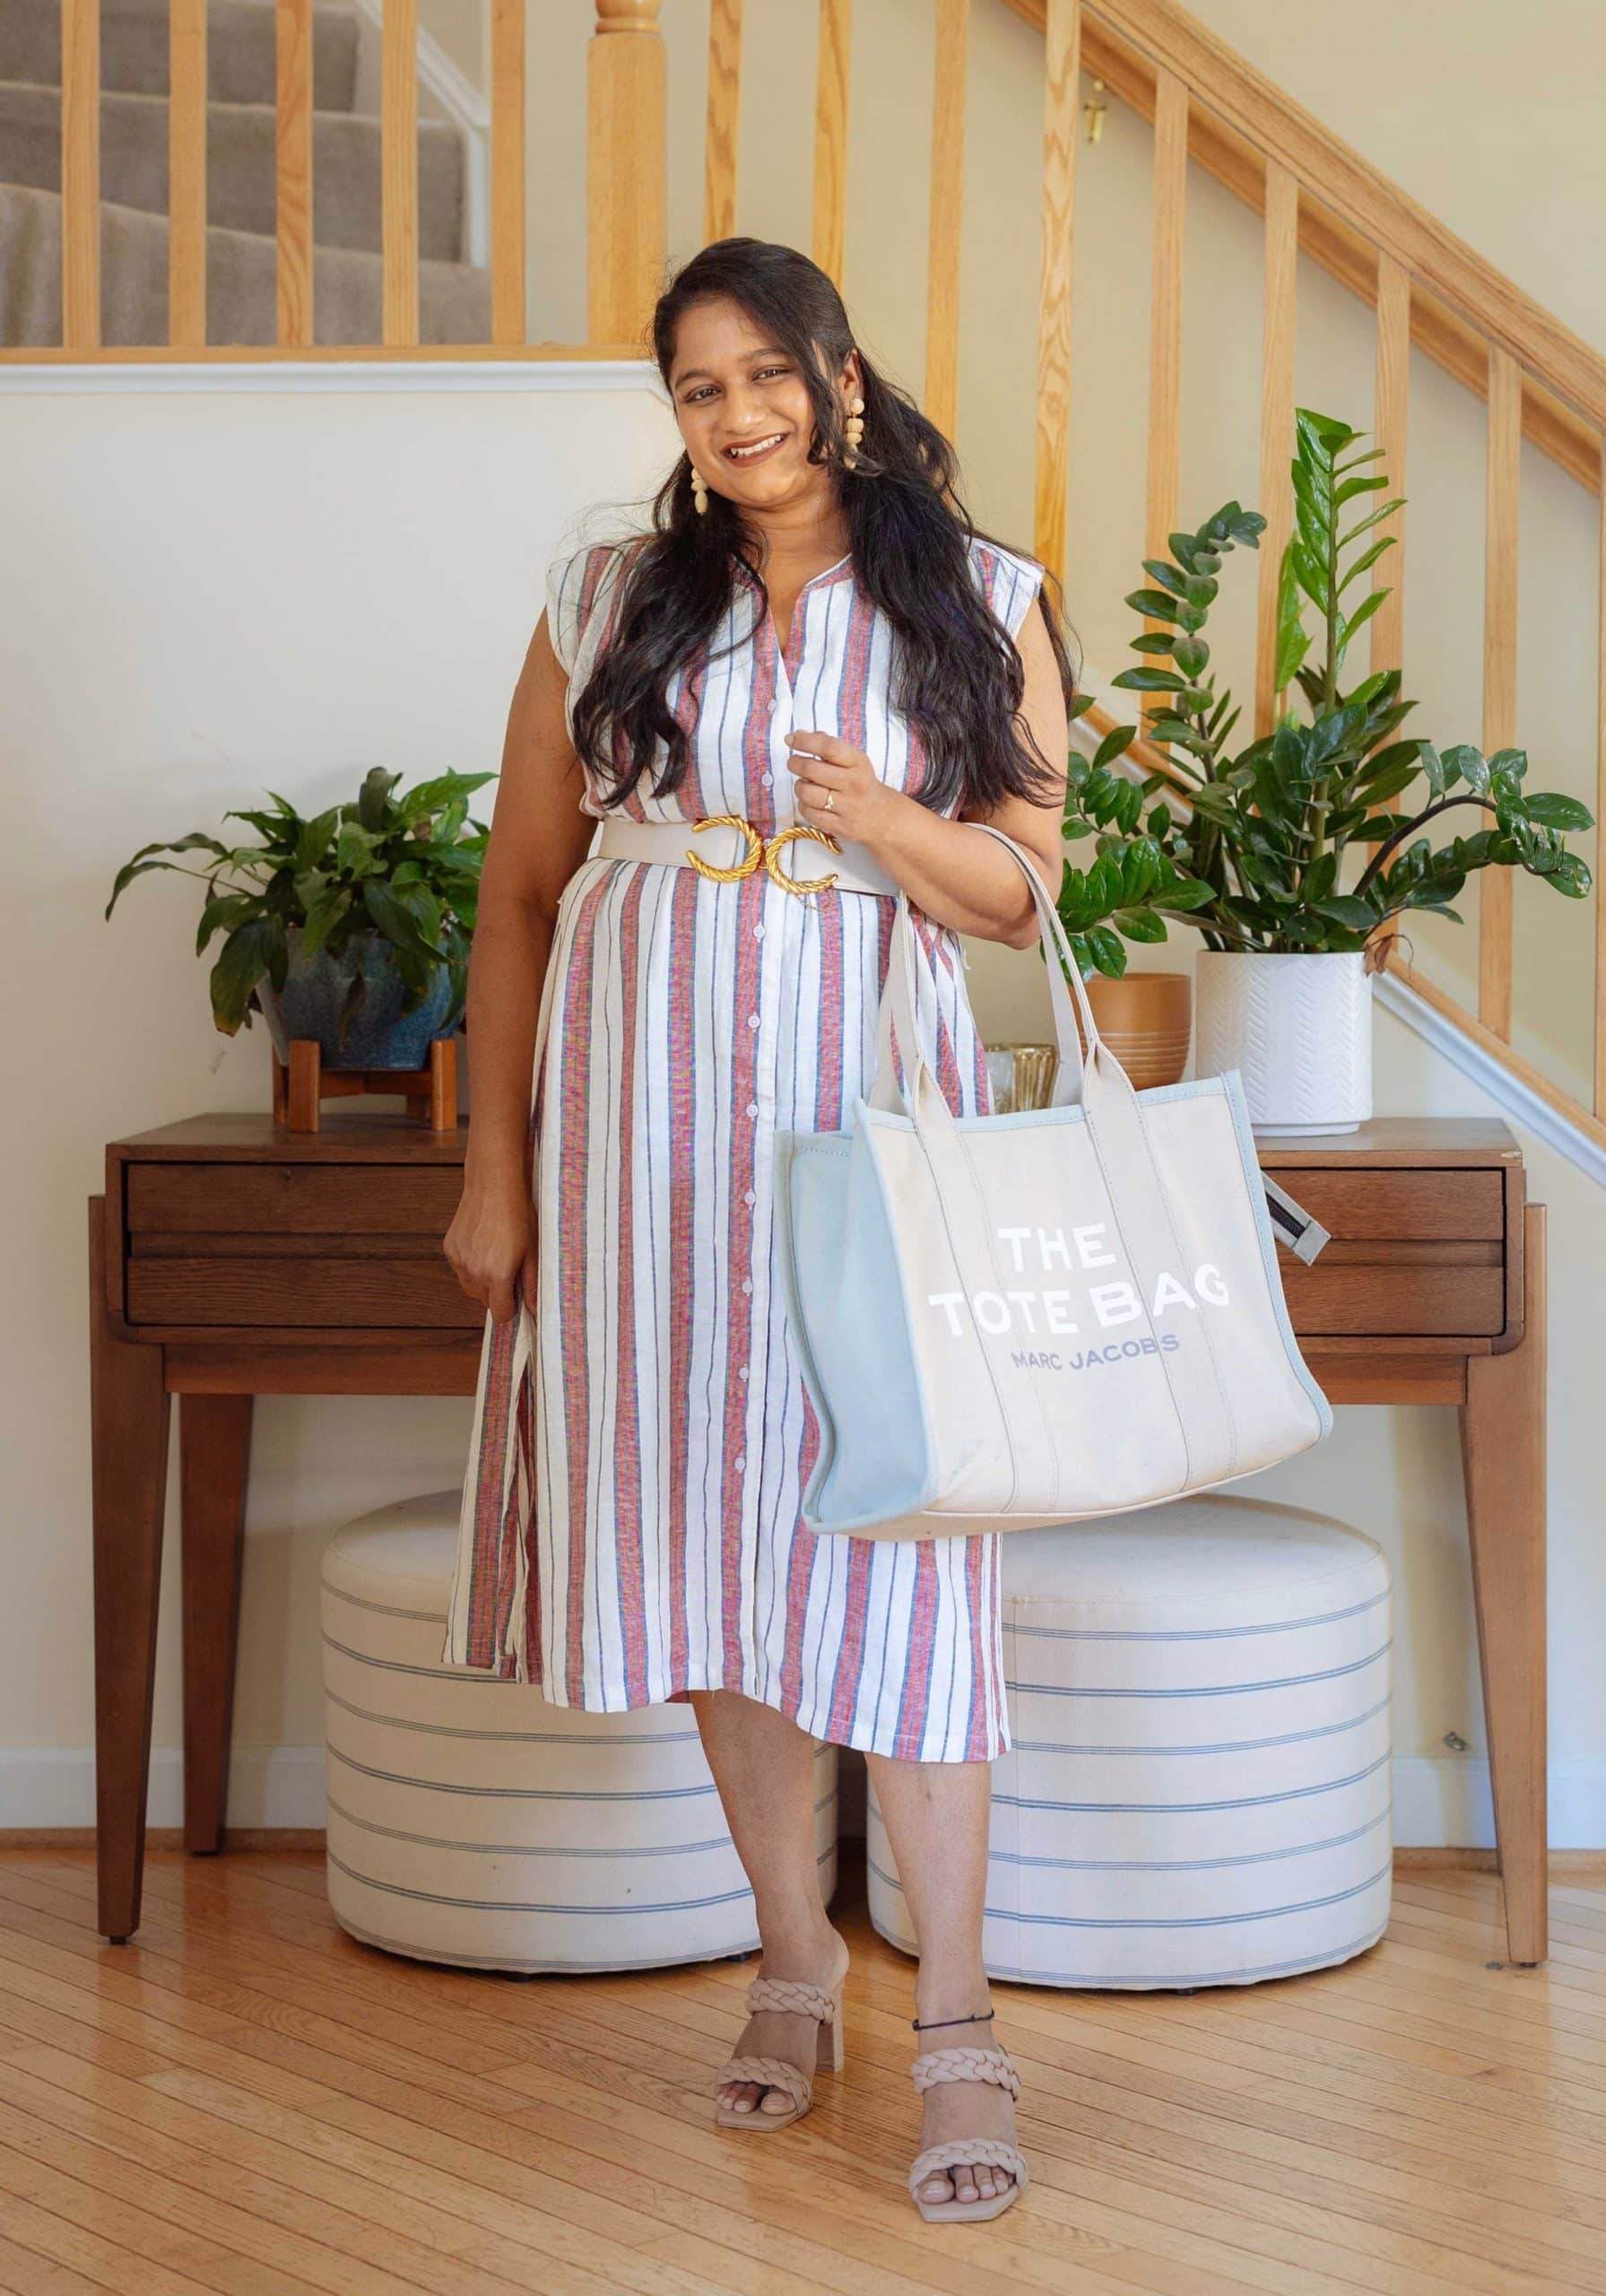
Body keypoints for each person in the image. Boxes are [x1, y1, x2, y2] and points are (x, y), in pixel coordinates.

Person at [440, 235, 1074, 2224]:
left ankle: (957, 2013)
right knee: (723, 1543)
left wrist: (884, 823)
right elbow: (523, 896)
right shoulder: (608, 597)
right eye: (697, 391)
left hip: (869, 1127)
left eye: (762, 375)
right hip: (642, 1146)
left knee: (909, 1547)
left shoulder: (982, 599)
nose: (736, 418)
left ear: (839, 368)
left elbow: (1024, 887)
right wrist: (490, 1166)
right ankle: (795, 1963)